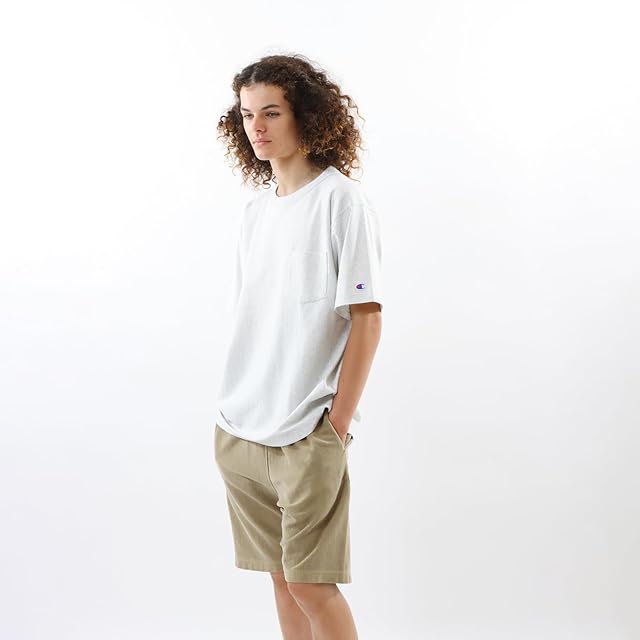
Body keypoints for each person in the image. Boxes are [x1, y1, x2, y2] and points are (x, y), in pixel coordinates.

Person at [213, 53, 383, 640]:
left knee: (312, 585)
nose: (256, 127)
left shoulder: (341, 202)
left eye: (271, 112)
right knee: (283, 581)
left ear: (304, 115)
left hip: (308, 431)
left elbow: (366, 319)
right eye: (246, 115)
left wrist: (336, 425)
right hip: (241, 427)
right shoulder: (255, 212)